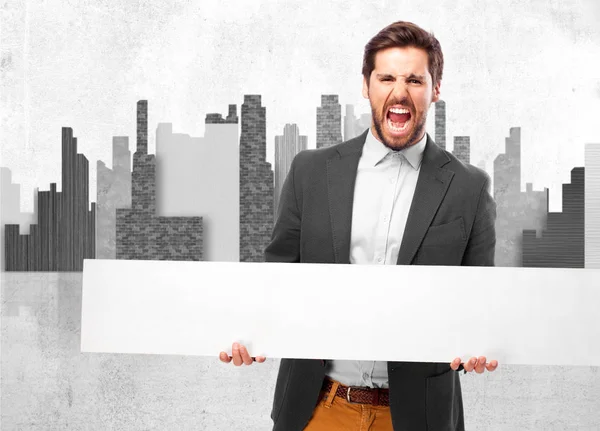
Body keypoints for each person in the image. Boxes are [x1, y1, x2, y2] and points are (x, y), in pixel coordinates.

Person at [220, 21, 498, 431]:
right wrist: (253, 335)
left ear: (435, 89)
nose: (399, 92)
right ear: (366, 86)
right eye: (386, 78)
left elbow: (479, 302)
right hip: (317, 408)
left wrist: (478, 345)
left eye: (414, 80)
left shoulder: (469, 188)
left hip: (418, 415)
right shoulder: (310, 172)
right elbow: (277, 277)